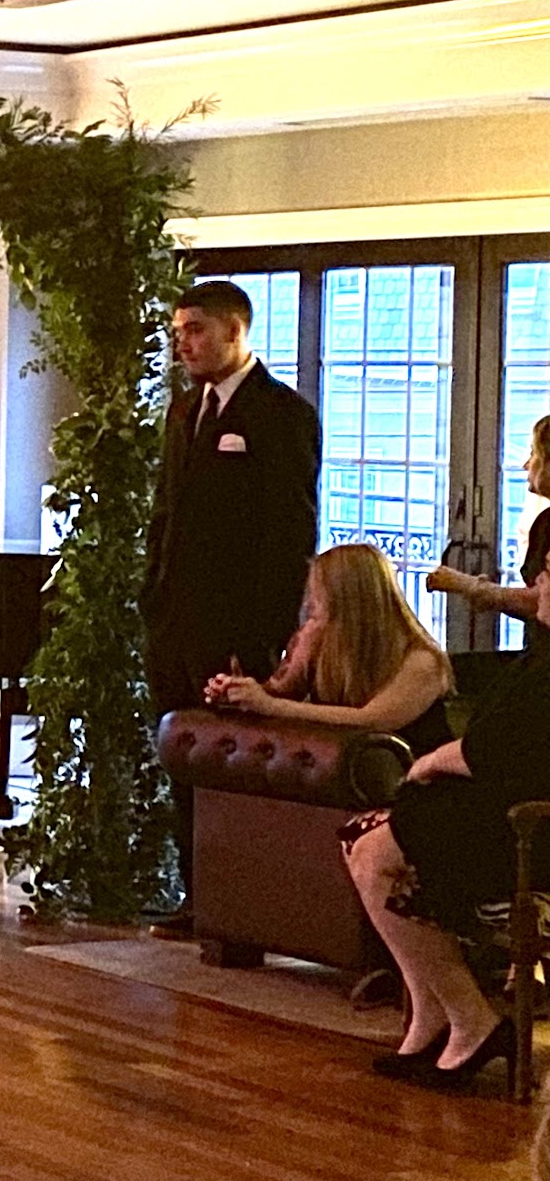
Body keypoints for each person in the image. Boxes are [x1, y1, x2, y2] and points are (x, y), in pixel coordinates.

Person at [143, 279, 320, 937]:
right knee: (184, 758)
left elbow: (288, 534)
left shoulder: (281, 413)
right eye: (178, 332)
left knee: (233, 762)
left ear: (235, 332)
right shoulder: (185, 410)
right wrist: (152, 594)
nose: (182, 344)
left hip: (236, 627)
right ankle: (197, 896)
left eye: (195, 330)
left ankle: (239, 905)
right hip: (174, 621)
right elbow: (167, 511)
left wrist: (266, 636)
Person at [342, 566, 550, 1091]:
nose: (538, 586)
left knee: (376, 855)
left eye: (548, 574)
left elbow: (500, 751)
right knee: (362, 841)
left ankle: (469, 1021)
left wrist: (433, 762)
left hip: (530, 832)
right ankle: (439, 1013)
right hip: (500, 814)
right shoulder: (542, 653)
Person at [204, 543, 453, 758]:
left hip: (417, 780)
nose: (308, 603)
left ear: (347, 598)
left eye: (318, 592)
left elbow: (372, 721)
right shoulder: (319, 639)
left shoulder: (422, 659)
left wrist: (268, 705)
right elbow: (278, 693)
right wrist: (236, 693)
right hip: (339, 774)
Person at [428, 413, 550, 651]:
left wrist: (472, 587)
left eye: (533, 453)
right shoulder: (545, 520)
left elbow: (537, 601)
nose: (526, 464)